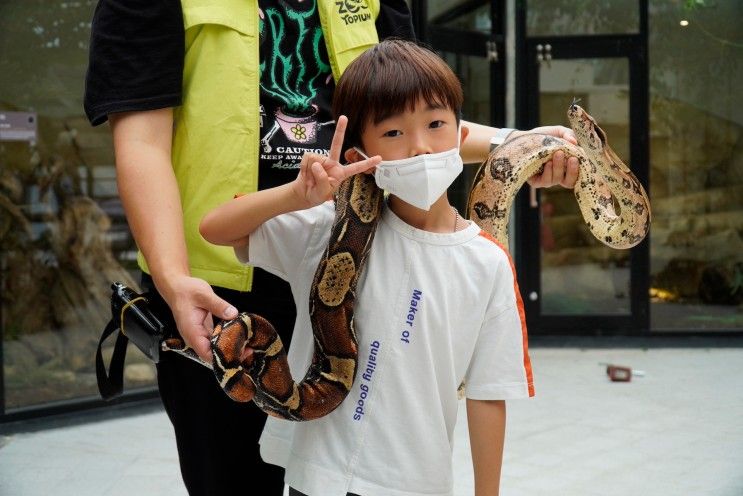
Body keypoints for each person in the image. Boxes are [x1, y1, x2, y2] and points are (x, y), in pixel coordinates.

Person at [84, 1, 576, 494]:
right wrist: (173, 279)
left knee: (342, 468)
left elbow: (411, 115)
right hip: (219, 294)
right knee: (228, 477)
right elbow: (142, 143)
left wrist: (522, 144)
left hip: (358, 261)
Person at [199, 39, 534, 496]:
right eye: (393, 133)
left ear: (460, 135)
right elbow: (215, 228)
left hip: (414, 481)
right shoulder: (325, 227)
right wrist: (295, 196)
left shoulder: (488, 263)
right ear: (359, 157)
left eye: (435, 124)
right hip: (320, 475)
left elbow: (488, 390)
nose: (418, 148)